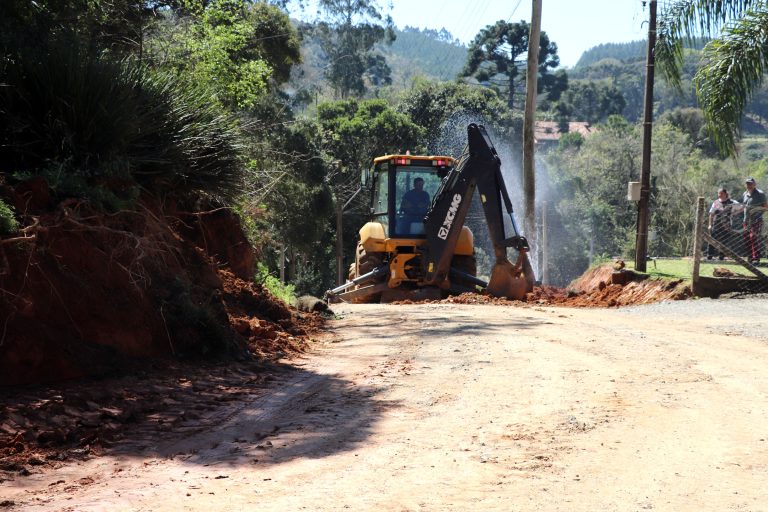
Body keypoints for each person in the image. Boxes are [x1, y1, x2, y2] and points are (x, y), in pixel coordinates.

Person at [741, 177, 767, 264]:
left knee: (753, 237)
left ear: (754, 184)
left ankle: (756, 257)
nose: (749, 185)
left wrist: (757, 214)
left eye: (750, 183)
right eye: (747, 183)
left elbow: (765, 207)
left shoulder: (760, 194)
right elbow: (744, 207)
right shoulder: (745, 193)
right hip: (746, 221)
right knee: (746, 238)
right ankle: (750, 257)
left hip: (756, 220)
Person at [707, 187, 736, 260]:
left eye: (721, 193)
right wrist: (710, 225)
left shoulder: (732, 202)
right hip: (716, 225)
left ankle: (721, 256)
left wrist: (734, 213)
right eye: (718, 193)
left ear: (725, 194)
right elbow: (711, 214)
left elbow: (742, 207)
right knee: (712, 240)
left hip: (726, 225)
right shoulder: (716, 202)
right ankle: (710, 255)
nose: (719, 195)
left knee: (724, 241)